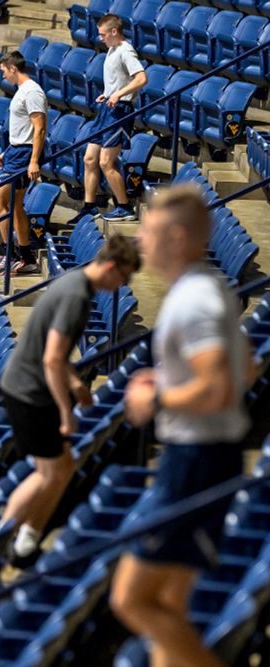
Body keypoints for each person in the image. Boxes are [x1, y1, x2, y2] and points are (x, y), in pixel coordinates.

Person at [110, 185, 255, 667]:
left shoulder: (194, 301)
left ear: (174, 236)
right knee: (170, 604)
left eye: (148, 231)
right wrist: (173, 375)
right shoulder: (209, 287)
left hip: (195, 461)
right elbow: (248, 365)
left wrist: (159, 395)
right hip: (209, 456)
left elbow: (217, 389)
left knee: (131, 598)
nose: (141, 240)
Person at [0, 234, 141, 568]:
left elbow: (57, 359)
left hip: (28, 387)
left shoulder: (75, 282)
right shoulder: (77, 296)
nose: (122, 285)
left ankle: (23, 543)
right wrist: (66, 412)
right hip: (31, 392)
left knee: (58, 469)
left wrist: (76, 385)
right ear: (110, 266)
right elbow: (51, 359)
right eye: (124, 276)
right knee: (52, 472)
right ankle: (7, 542)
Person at [75, 14, 148, 223]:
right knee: (90, 158)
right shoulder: (112, 49)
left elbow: (142, 78)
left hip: (120, 112)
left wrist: (118, 94)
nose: (101, 38)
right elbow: (118, 80)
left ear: (114, 32)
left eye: (103, 34)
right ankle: (89, 206)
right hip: (108, 108)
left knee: (106, 162)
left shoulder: (126, 51)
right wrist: (108, 93)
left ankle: (124, 207)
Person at [0, 51, 48, 276]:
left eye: (4, 71)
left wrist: (33, 160)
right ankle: (25, 258)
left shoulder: (32, 91)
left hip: (24, 155)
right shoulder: (22, 91)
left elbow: (40, 127)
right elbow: (22, 127)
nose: (3, 75)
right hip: (16, 152)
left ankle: (11, 255)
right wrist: (8, 150)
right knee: (14, 205)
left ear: (13, 68)